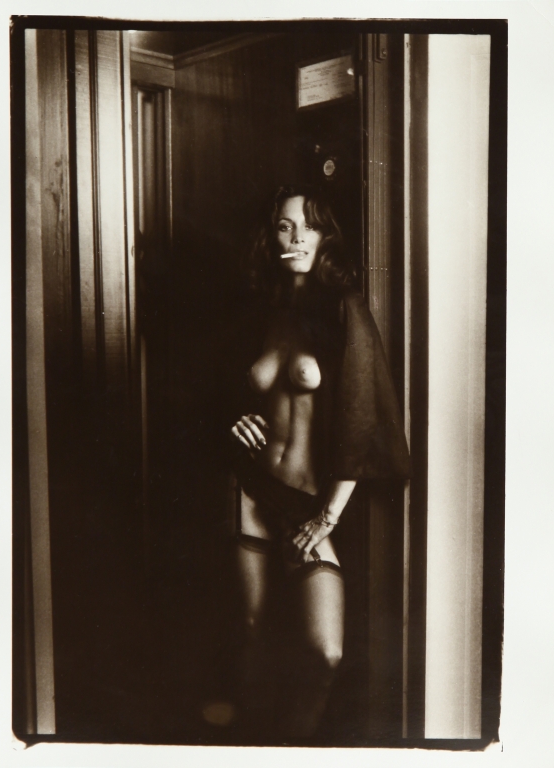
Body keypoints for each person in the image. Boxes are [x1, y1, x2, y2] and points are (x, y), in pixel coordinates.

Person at [228, 184, 410, 742]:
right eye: (285, 225)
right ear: (272, 235)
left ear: (327, 235)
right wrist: (235, 418)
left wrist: (327, 516)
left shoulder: (343, 307)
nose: (297, 237)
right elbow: (234, 387)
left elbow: (363, 414)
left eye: (310, 225)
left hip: (307, 504)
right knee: (251, 634)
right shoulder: (263, 307)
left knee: (325, 654)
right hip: (249, 488)